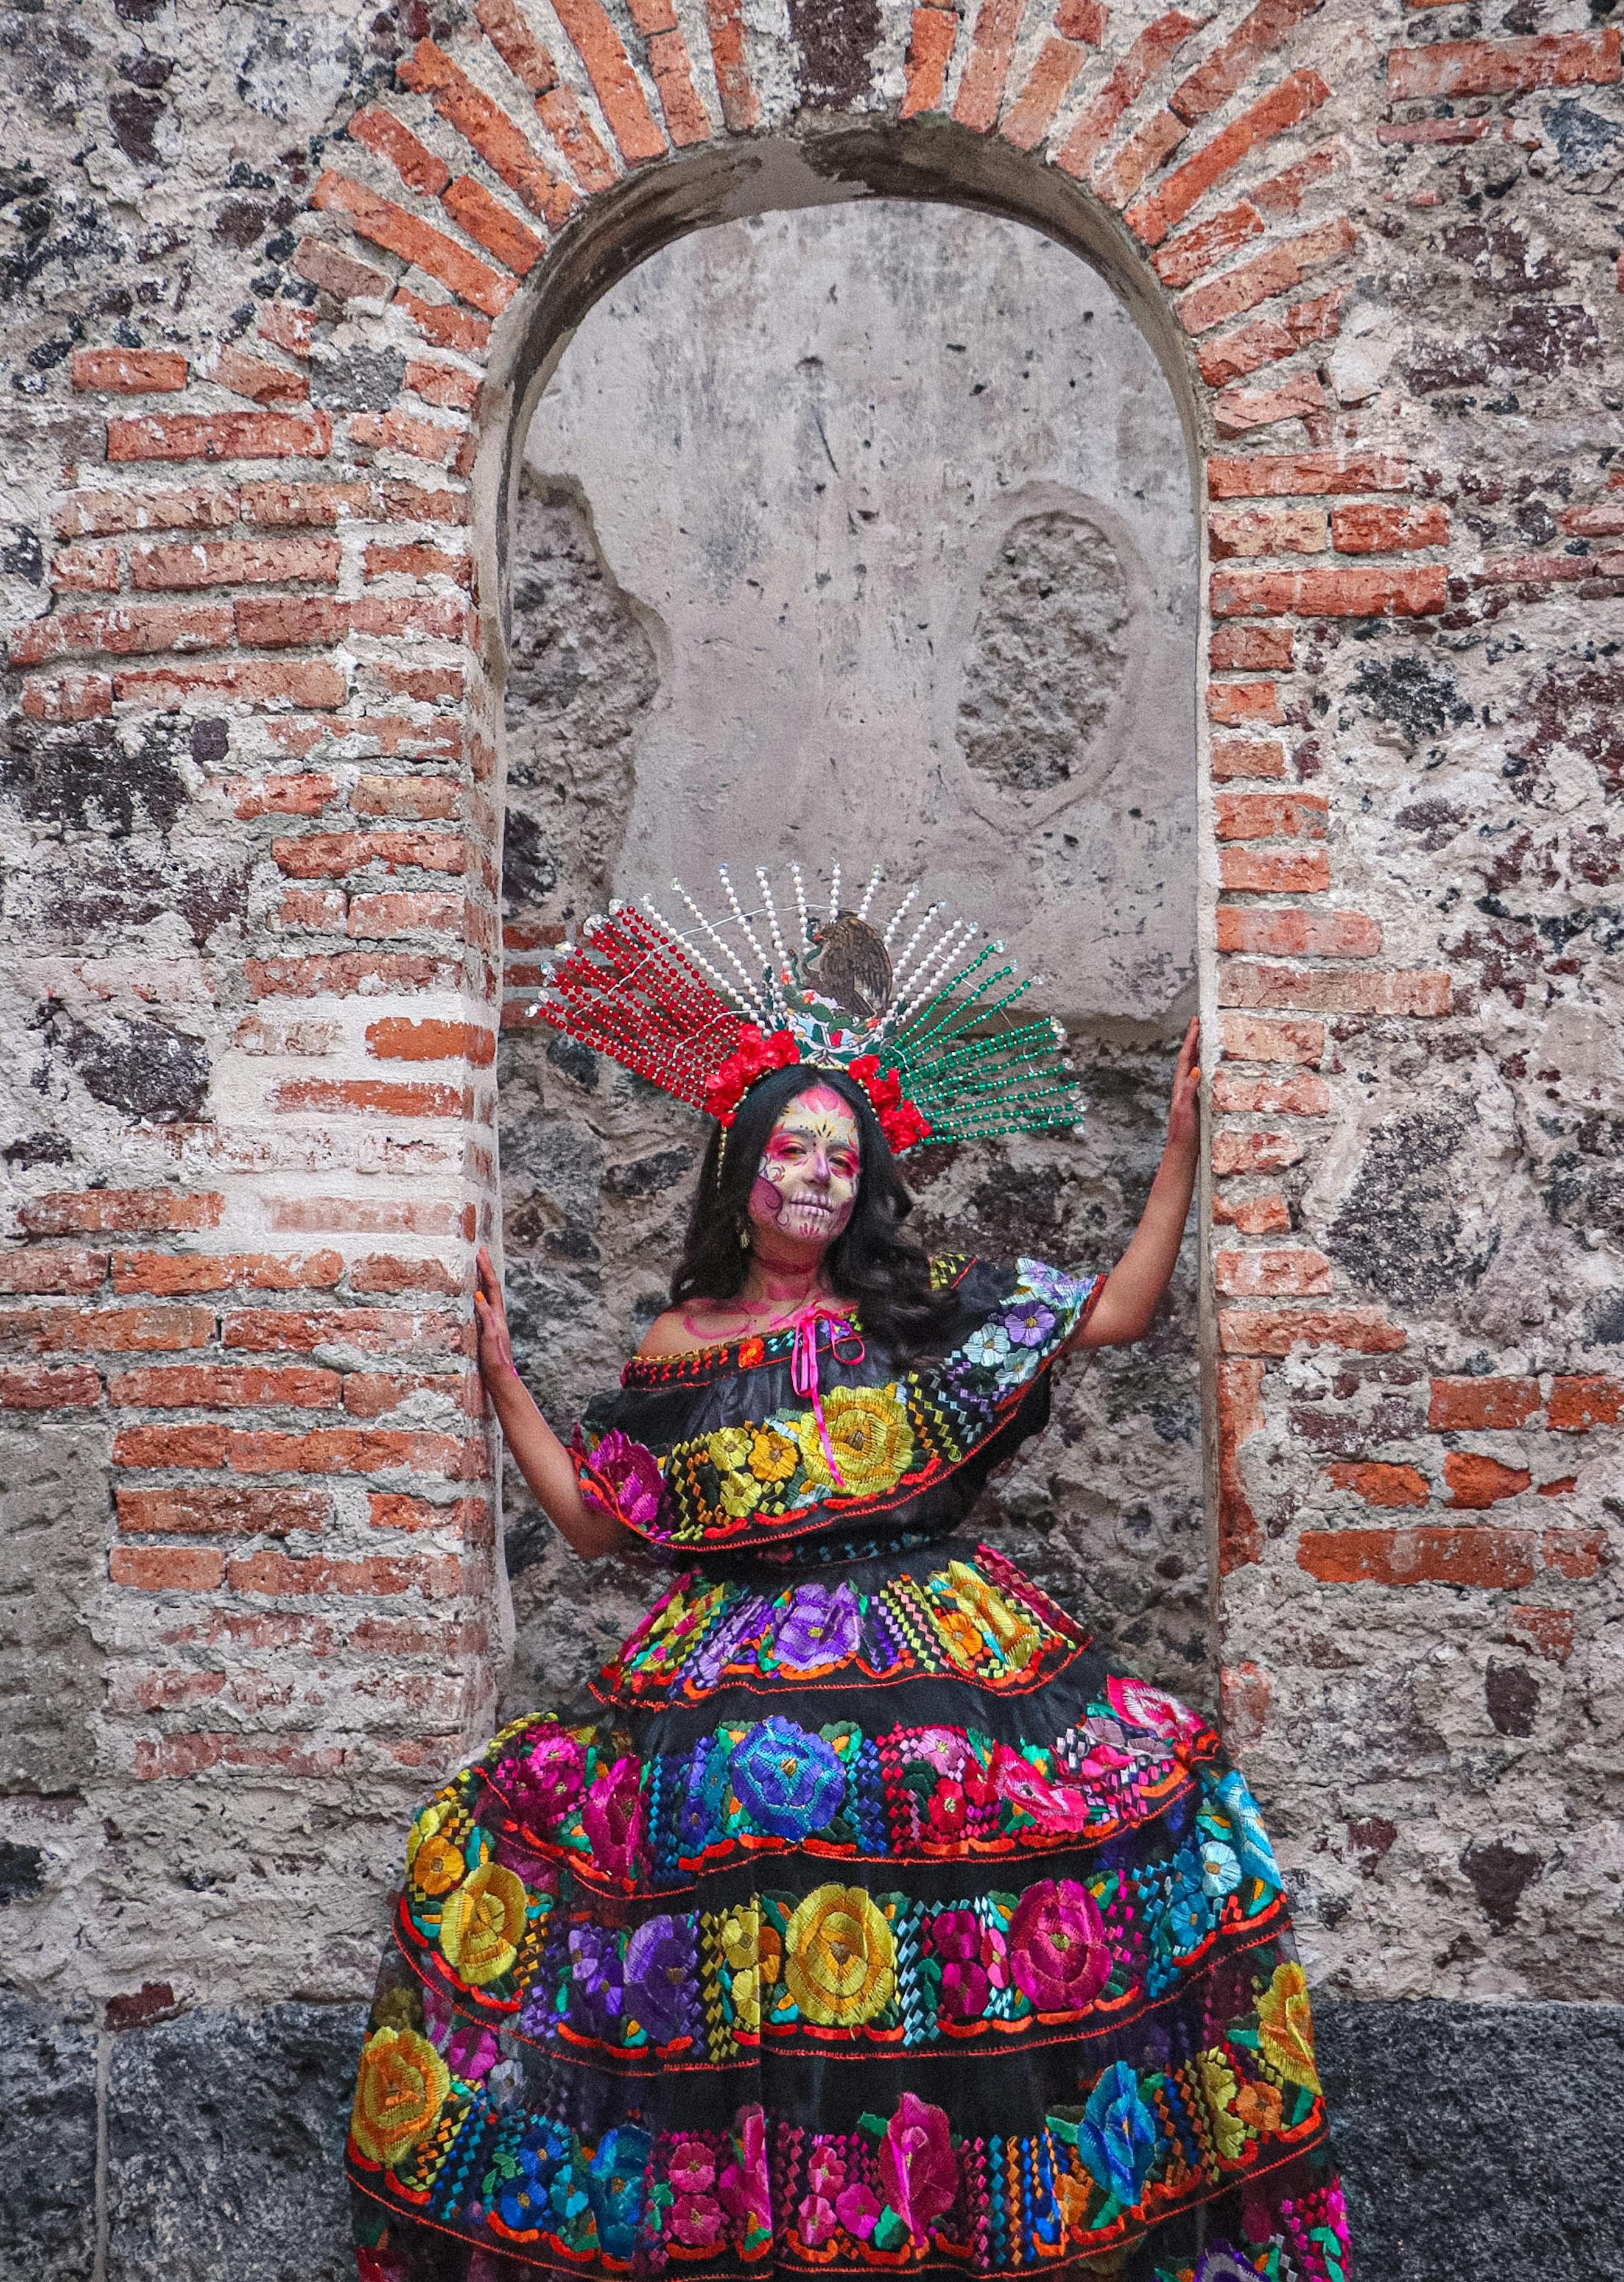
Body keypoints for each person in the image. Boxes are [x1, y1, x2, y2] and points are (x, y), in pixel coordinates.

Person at [346, 868, 1351, 2282]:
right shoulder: (677, 1343)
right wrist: (504, 1379)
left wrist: (1179, 1145)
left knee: (997, 1882)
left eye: (839, 1155)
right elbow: (594, 1525)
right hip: (724, 1652)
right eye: (790, 1148)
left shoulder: (918, 1305)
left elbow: (1118, 1311)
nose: (815, 1174)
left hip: (932, 1630)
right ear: (737, 1163)